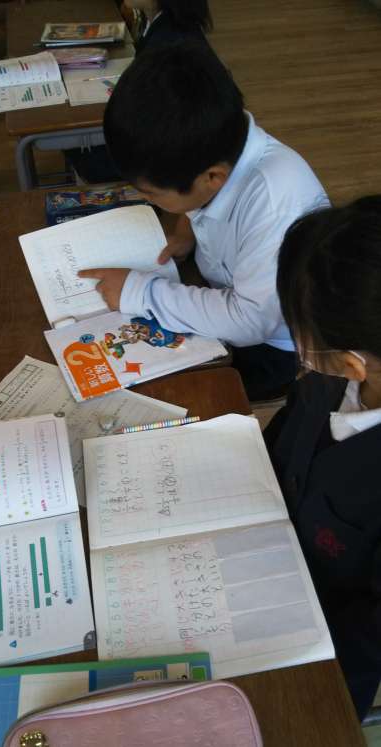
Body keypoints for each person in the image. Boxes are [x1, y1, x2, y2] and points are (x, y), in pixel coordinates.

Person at [78, 42, 329, 400]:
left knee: (153, 393)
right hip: (222, 295)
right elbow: (200, 198)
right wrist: (187, 228)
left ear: (212, 177)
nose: (150, 201)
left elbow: (250, 322)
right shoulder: (215, 143)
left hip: (273, 349)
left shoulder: (277, 204)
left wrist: (138, 291)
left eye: (152, 194)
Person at [263, 196, 381, 720]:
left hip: (318, 654)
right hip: (262, 543)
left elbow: (367, 633)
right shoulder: (330, 380)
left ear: (354, 362)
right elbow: (283, 437)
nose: (300, 351)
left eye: (300, 335)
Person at [67, 0, 213, 182]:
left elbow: (157, 125)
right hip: (164, 145)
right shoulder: (167, 25)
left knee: (75, 145)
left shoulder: (169, 45)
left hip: (163, 161)